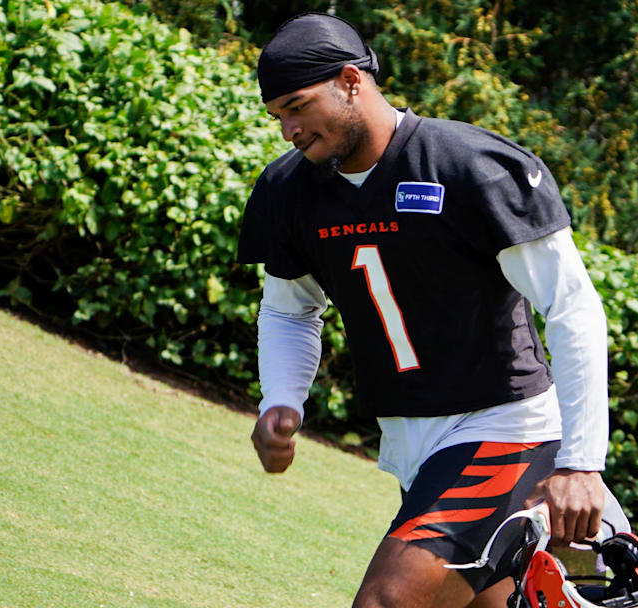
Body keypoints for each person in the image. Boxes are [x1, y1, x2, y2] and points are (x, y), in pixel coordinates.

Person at [238, 13, 611, 608]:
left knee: (387, 601)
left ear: (351, 80)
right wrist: (282, 399)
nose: (288, 130)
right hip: (413, 443)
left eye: (297, 106)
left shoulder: (468, 165)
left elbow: (572, 308)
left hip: (505, 426)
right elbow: (289, 310)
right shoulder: (290, 190)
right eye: (276, 115)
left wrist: (582, 461)